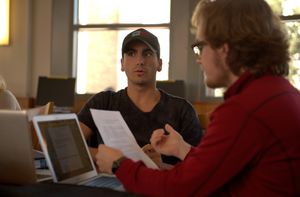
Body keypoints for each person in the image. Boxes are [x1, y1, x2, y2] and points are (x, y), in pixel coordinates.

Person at [94, 0, 300, 196]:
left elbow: (179, 190)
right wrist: (182, 149)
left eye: (201, 46)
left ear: (224, 48)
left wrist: (119, 164)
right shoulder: (280, 92)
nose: (199, 59)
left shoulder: (243, 110)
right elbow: (219, 172)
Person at [78, 28, 203, 165]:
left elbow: (198, 169)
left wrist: (160, 168)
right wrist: (109, 157)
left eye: (147, 54)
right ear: (122, 64)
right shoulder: (102, 103)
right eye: (131, 53)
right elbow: (70, 146)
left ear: (159, 64)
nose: (140, 61)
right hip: (107, 183)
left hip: (159, 184)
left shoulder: (182, 111)